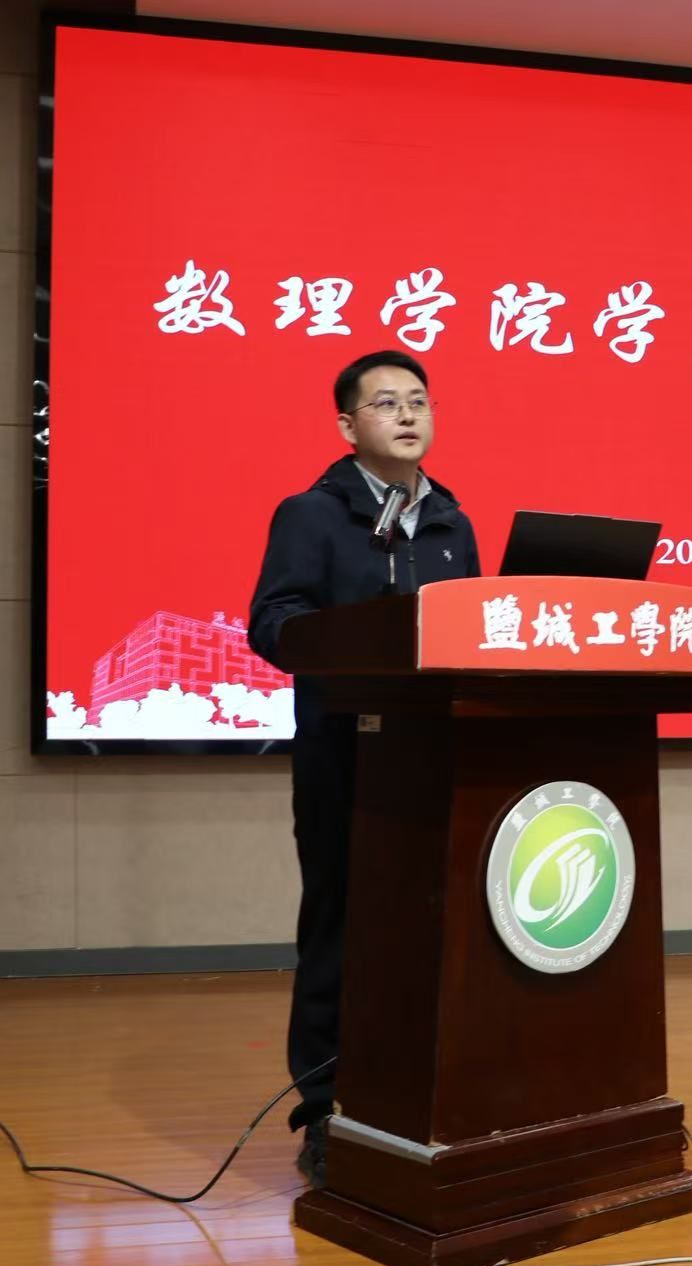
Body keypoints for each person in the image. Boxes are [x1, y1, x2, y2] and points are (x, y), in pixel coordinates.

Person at [247, 349, 481, 1184]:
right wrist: (358, 640)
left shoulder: (453, 523)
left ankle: (425, 1097)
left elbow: (473, 633)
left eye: (419, 401)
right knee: (341, 930)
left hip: (436, 759)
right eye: (387, 403)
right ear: (348, 425)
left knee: (437, 930)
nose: (408, 415)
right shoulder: (313, 515)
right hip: (344, 756)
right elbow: (273, 623)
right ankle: (325, 1109)